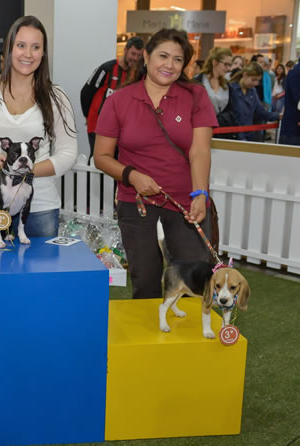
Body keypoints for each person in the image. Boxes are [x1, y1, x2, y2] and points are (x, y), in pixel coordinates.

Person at [93, 28, 217, 299]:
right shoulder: (118, 101)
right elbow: (101, 156)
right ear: (146, 57)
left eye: (177, 59)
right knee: (145, 282)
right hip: (135, 203)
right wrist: (131, 176)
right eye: (163, 56)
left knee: (192, 282)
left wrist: (200, 194)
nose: (169, 65)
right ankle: (149, 337)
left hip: (188, 203)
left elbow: (200, 151)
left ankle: (186, 340)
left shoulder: (196, 96)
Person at [0, 15, 77, 238]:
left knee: (39, 273)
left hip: (37, 205)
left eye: (36, 47)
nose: (28, 54)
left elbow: (68, 153)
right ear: (9, 48)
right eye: (21, 45)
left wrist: (25, 169)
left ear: (43, 53)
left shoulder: (56, 96)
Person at [80, 36, 144, 156]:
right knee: (97, 162)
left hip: (122, 130)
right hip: (97, 126)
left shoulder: (138, 75)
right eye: (133, 54)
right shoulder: (107, 69)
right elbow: (86, 92)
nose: (135, 58)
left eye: (139, 55)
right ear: (125, 50)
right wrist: (87, 116)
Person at [228, 63, 280, 141]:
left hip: (248, 135)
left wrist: (278, 116)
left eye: (258, 80)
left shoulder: (252, 91)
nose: (256, 83)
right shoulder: (231, 89)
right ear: (245, 75)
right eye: (253, 80)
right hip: (233, 136)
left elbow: (260, 111)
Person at [193, 47, 234, 127]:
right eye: (226, 64)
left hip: (221, 130)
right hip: (201, 127)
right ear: (215, 62)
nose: (228, 68)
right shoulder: (198, 81)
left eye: (229, 65)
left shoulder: (226, 84)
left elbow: (231, 110)